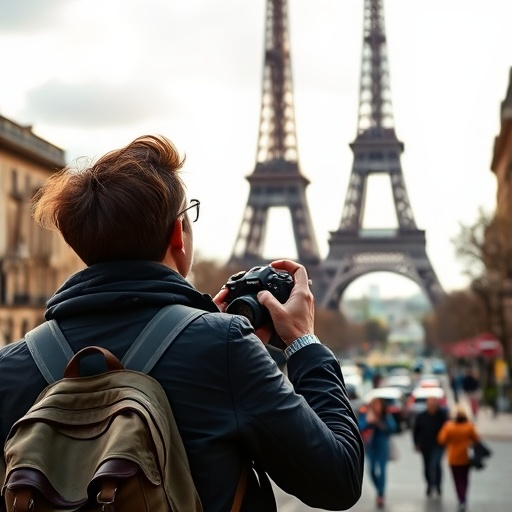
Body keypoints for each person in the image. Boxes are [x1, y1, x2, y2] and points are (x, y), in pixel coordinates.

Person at [0, 135, 364, 512]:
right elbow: (337, 480)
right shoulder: (223, 346)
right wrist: (303, 343)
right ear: (178, 234)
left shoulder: (10, 367)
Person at [437, 404, 480, 511]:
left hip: (453, 458)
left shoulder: (449, 426)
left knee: (457, 480)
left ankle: (460, 498)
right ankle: (463, 497)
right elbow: (476, 439)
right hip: (465, 457)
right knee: (464, 479)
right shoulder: (469, 426)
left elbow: (441, 439)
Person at [358, 397, 397, 508]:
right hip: (370, 446)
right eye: (375, 405)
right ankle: (379, 489)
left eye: (378, 405)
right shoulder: (366, 414)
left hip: (382, 446)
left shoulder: (386, 416)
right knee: (371, 470)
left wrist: (380, 423)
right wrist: (367, 422)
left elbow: (393, 428)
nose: (377, 407)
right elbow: (359, 427)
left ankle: (381, 494)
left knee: (382, 470)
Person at [413, 396, 448, 498]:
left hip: (438, 445)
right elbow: (416, 431)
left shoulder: (441, 416)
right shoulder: (421, 416)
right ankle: (429, 484)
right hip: (425, 445)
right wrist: (417, 443)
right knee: (427, 466)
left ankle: (437, 484)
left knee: (435, 464)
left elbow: (447, 429)